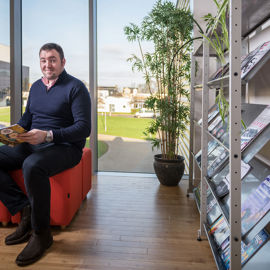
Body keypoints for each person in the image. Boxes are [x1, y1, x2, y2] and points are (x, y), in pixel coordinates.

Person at [0, 43, 91, 266]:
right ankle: (23, 209)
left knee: (32, 165)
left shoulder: (76, 87)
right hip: (33, 142)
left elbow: (83, 128)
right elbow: (27, 119)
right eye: (43, 60)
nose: (47, 64)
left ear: (63, 62)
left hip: (65, 147)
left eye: (52, 59)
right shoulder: (35, 87)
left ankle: (42, 235)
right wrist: (12, 132)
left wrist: (48, 135)